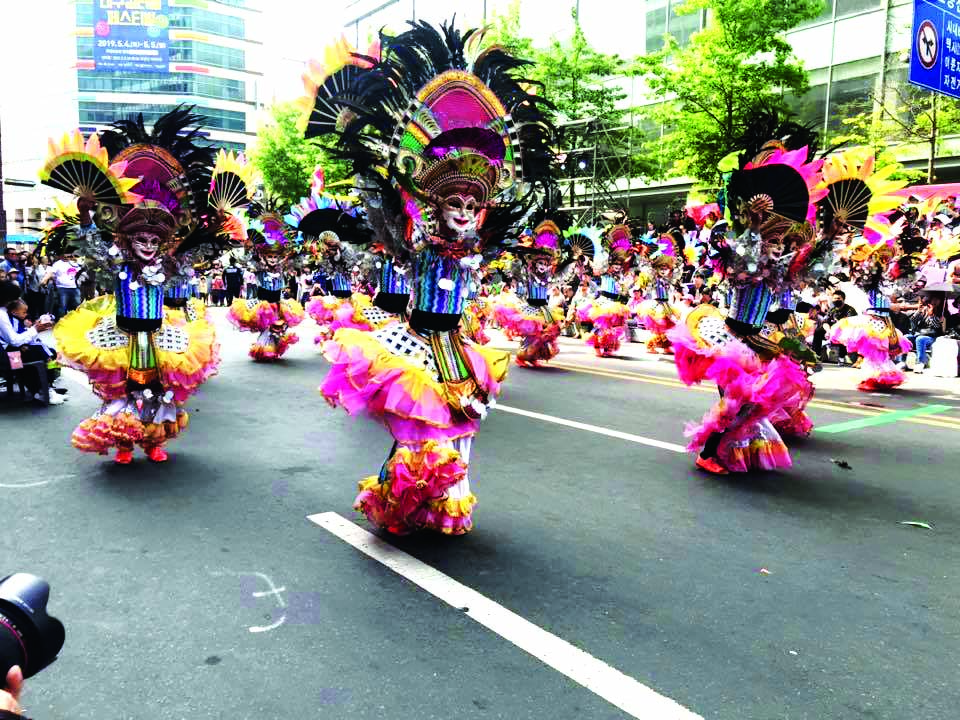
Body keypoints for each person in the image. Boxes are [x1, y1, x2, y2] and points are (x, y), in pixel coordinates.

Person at [307, 22, 552, 534]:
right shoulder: (416, 242)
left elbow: (516, 231)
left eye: (472, 204)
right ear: (435, 204)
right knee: (419, 432)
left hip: (458, 348)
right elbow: (390, 210)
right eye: (454, 202)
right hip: (415, 342)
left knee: (459, 432)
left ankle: (444, 504)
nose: (464, 212)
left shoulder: (478, 247)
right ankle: (395, 499)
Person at [43, 106, 247, 463]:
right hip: (121, 336)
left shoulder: (167, 266)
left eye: (155, 240)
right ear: (130, 239)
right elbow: (92, 250)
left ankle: (154, 442)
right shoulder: (118, 264)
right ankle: (123, 442)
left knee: (157, 389)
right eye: (143, 239)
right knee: (121, 390)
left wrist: (213, 228)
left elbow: (195, 257)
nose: (149, 245)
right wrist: (87, 215)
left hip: (157, 336)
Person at [0, 291, 64, 405]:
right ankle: (41, 391)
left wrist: (32, 328)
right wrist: (35, 329)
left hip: (12, 349)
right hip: (9, 354)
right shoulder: (3, 314)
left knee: (49, 353)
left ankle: (45, 387)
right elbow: (14, 340)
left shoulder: (9, 314)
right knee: (37, 354)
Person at [905, 296, 946, 371]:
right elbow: (912, 322)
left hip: (931, 337)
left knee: (920, 339)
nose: (926, 307)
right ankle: (902, 361)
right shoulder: (922, 312)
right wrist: (918, 311)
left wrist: (931, 315)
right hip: (919, 334)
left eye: (928, 305)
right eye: (925, 305)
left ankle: (920, 362)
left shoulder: (940, 315)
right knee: (905, 338)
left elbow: (936, 326)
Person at [41, 252, 81, 318]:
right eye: (65, 254)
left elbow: (80, 272)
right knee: (62, 307)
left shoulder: (75, 263)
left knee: (77, 307)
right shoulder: (57, 264)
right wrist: (45, 280)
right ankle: (61, 322)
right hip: (62, 288)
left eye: (68, 254)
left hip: (75, 288)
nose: (67, 256)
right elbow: (50, 272)